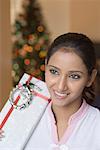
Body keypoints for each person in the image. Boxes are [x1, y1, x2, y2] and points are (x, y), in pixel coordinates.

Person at [1, 33, 100, 149]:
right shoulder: (21, 119)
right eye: (54, 72)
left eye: (74, 76)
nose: (61, 86)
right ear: (45, 67)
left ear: (90, 78)